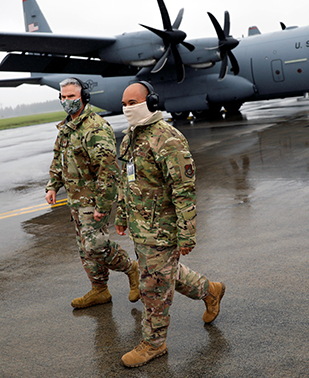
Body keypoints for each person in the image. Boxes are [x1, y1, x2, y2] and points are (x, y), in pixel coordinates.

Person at [115, 81, 225, 368]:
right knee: (165, 275)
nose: (128, 109)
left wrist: (187, 234)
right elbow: (127, 180)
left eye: (133, 103)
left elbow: (183, 189)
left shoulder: (168, 138)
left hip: (163, 229)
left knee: (152, 287)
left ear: (151, 101)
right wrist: (122, 216)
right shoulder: (130, 138)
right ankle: (210, 290)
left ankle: (154, 344)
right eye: (124, 104)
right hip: (142, 228)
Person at [45, 77, 140, 309]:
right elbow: (59, 158)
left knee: (94, 246)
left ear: (83, 98)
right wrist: (52, 185)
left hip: (93, 200)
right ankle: (99, 290)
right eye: (63, 97)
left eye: (71, 97)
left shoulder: (94, 127)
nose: (67, 101)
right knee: (85, 250)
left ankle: (131, 268)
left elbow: (107, 170)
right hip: (75, 201)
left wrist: (103, 206)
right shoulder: (66, 128)